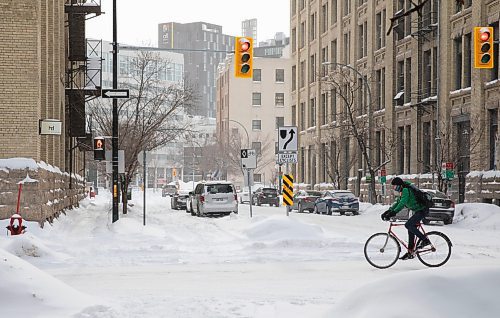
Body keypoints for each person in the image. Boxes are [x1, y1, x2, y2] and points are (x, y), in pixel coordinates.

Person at [381, 177, 431, 260]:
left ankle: (425, 240)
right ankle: (410, 252)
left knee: (408, 225)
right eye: (394, 187)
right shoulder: (402, 191)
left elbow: (402, 203)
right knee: (410, 228)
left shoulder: (405, 190)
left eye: (396, 186)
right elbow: (397, 202)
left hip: (422, 210)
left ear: (400, 185)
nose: (395, 188)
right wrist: (388, 211)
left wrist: (393, 213)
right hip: (418, 210)